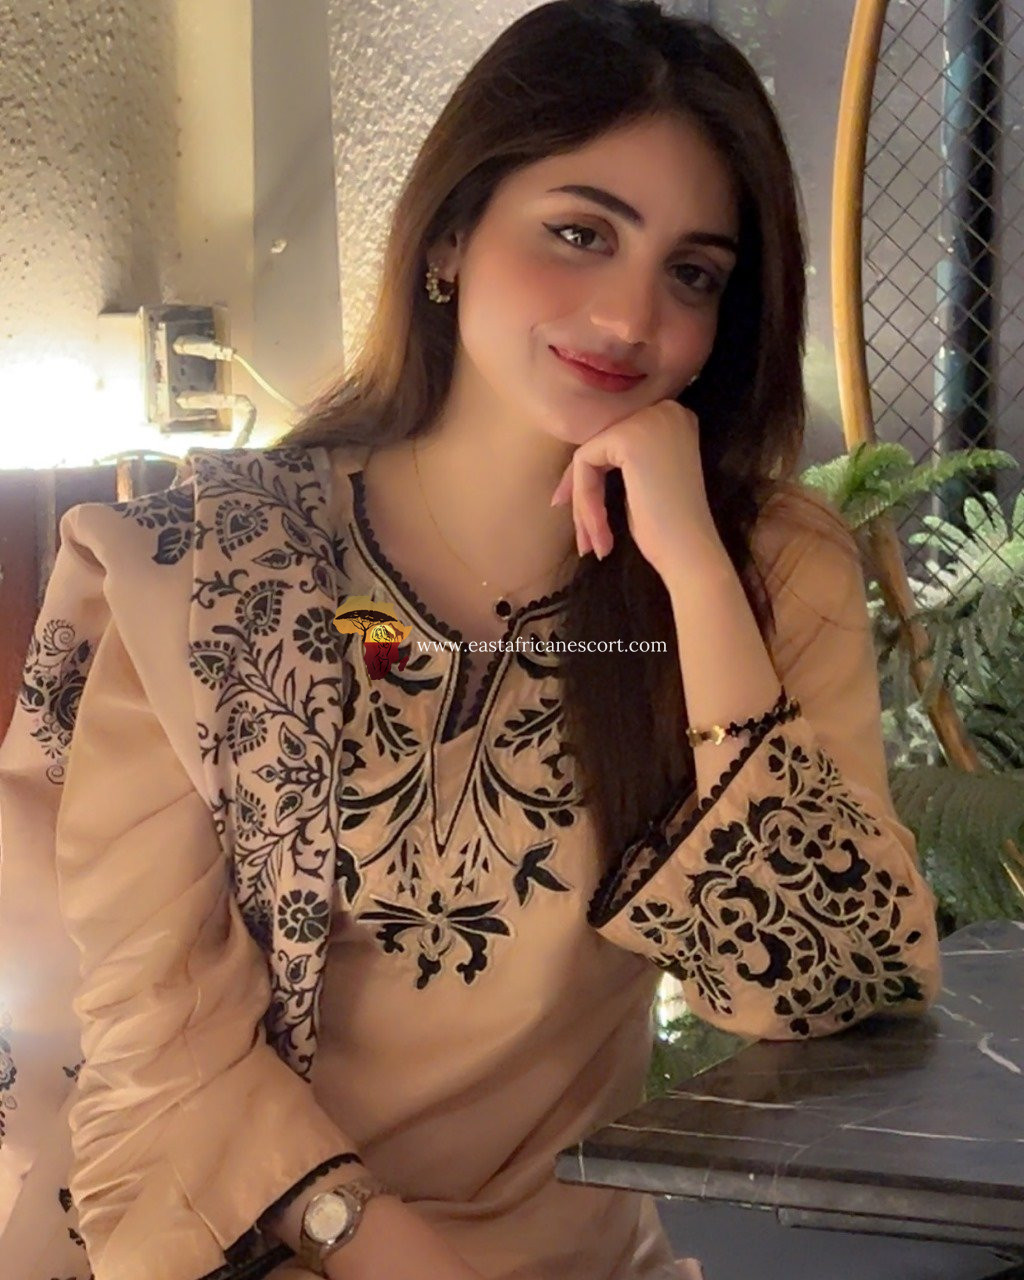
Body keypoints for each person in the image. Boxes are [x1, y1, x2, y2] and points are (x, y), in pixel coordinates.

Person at [0, 2, 943, 1278]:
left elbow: (829, 976)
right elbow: (161, 1041)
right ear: (450, 234)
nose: (629, 314)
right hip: (260, 1247)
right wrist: (377, 1242)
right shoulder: (215, 566)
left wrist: (695, 572)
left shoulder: (767, 567)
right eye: (579, 232)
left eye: (692, 273)